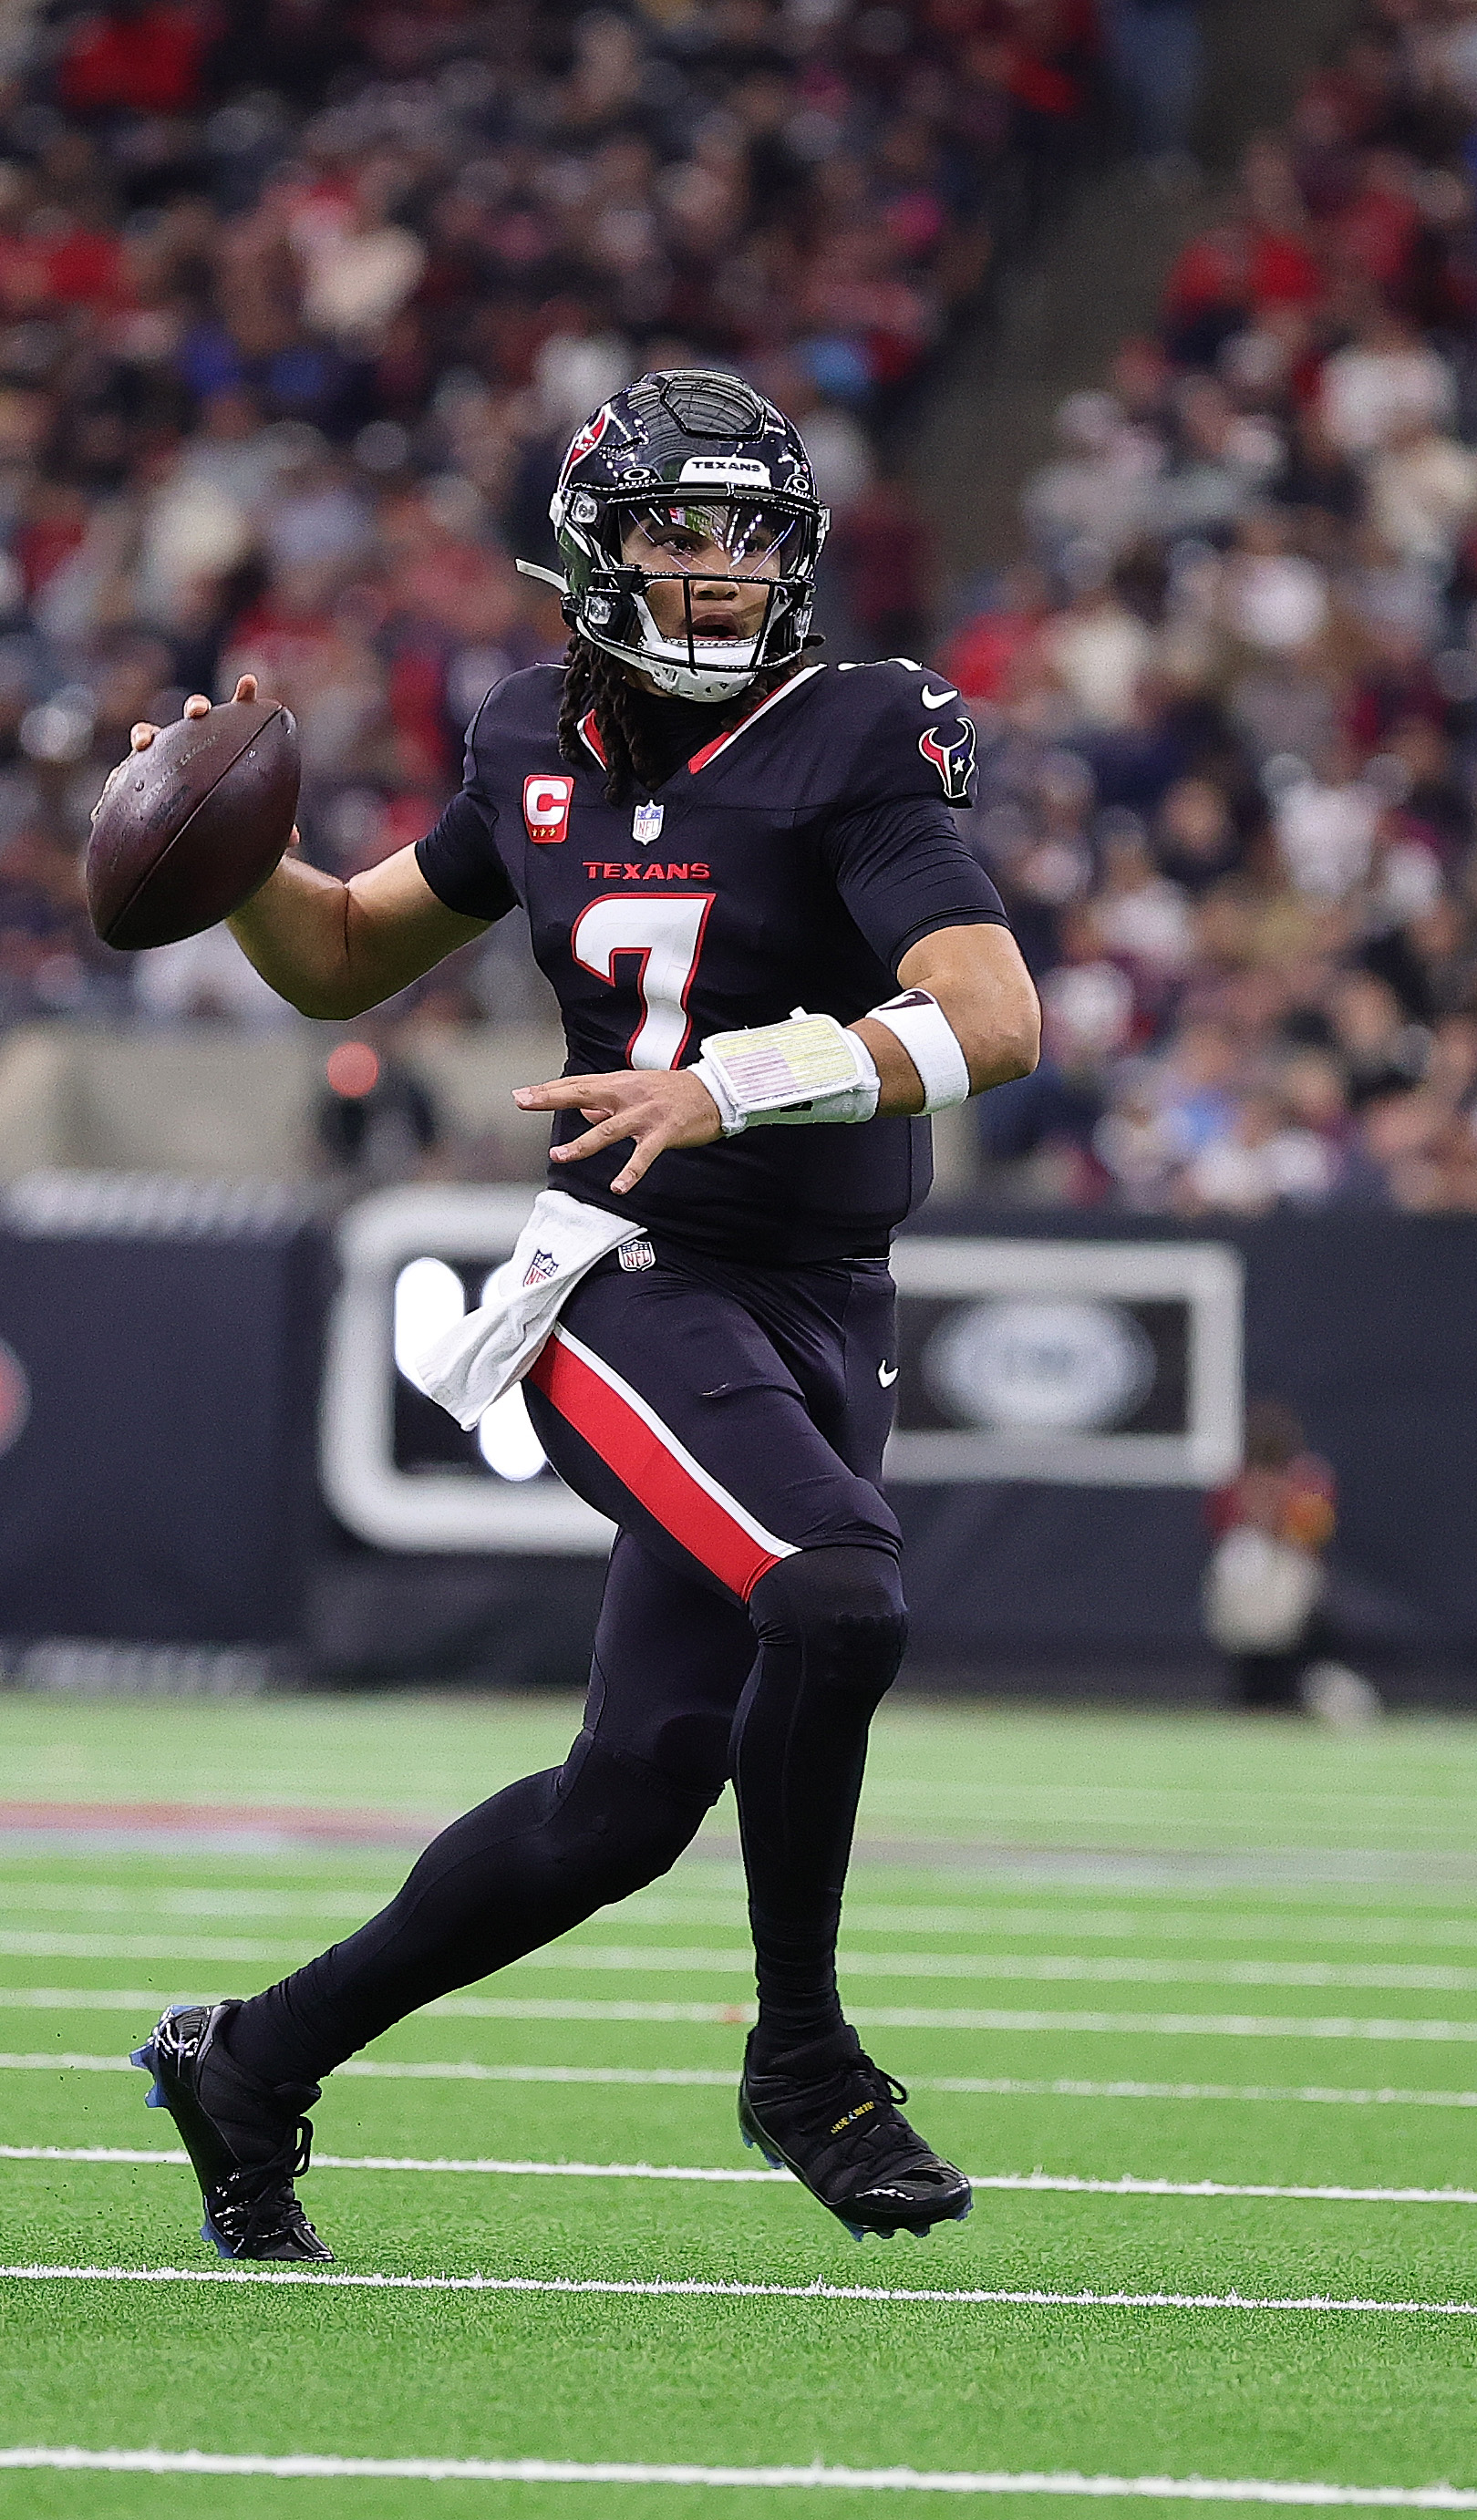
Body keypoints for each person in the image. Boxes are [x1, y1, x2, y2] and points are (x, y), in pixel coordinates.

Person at [123, 370, 1041, 2261]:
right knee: (835, 1589)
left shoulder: (857, 730)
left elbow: (996, 1018)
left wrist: (737, 1078)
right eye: (671, 534)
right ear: (591, 551)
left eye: (745, 536)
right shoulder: (528, 734)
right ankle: (802, 2057)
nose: (711, 574)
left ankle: (252, 2060)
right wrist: (224, 846)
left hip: (817, 1297)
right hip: (624, 1278)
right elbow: (348, 951)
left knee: (628, 1797)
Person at [1202, 1398, 1379, 1724]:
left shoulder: (1308, 1478)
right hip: (1249, 1585)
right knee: (1243, 1560)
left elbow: (1309, 1535)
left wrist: (1276, 1507)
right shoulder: (1234, 1481)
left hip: (1291, 1575)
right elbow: (1225, 1531)